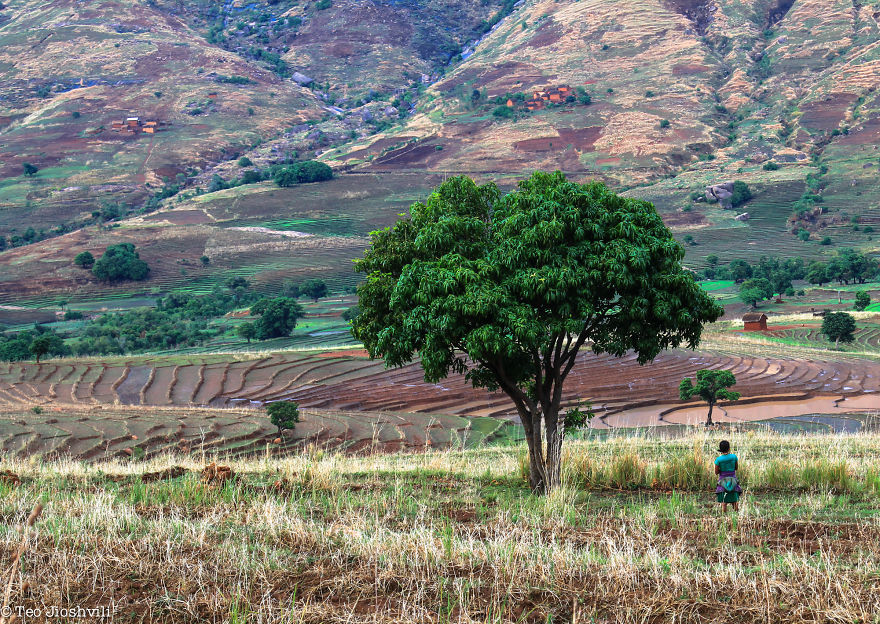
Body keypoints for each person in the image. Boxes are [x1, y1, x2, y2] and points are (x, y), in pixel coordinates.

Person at [714, 440, 742, 512]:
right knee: (734, 500)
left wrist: (722, 472)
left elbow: (716, 472)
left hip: (723, 480)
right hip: (733, 479)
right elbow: (736, 468)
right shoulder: (734, 457)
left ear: (720, 449)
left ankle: (724, 517)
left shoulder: (718, 459)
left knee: (724, 501)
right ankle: (736, 514)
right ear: (729, 448)